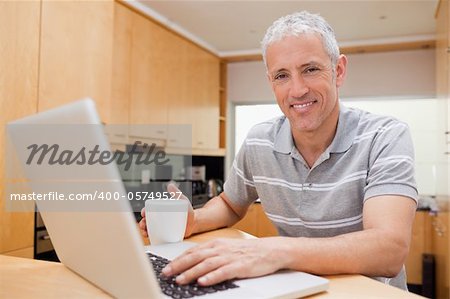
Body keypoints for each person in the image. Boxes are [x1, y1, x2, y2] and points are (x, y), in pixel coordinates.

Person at [139, 11, 417, 290]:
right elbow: (229, 204)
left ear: (339, 71)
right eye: (282, 75)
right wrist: (194, 221)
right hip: (295, 288)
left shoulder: (385, 136)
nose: (297, 90)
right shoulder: (259, 140)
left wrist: (275, 251)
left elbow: (388, 249)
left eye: (310, 69)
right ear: (271, 82)